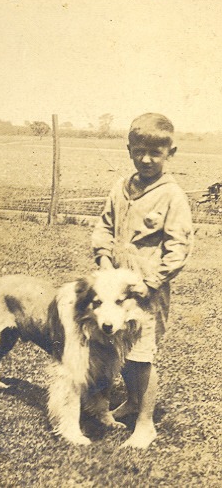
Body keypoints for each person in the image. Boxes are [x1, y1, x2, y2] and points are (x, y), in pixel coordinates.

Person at [91, 112, 193, 449]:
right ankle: (133, 403)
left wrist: (150, 283)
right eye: (139, 151)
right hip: (114, 289)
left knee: (142, 354)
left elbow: (178, 249)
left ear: (170, 153)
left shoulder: (171, 195)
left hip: (147, 293)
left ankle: (145, 424)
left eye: (155, 153)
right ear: (129, 149)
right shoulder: (121, 188)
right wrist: (104, 260)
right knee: (121, 347)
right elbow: (104, 227)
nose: (146, 159)